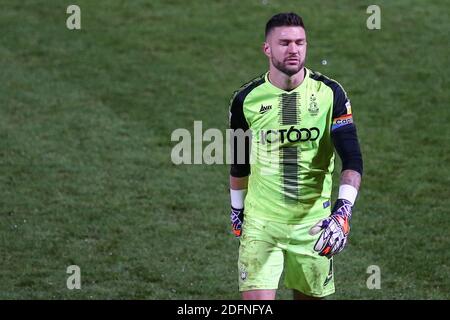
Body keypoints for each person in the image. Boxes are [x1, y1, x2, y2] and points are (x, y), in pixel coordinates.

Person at [228, 12, 363, 300]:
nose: (293, 50)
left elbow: (352, 159)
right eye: (285, 42)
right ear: (267, 48)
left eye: (300, 42)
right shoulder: (246, 99)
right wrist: (237, 210)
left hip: (313, 226)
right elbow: (239, 164)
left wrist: (343, 211)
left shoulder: (330, 93)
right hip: (261, 225)